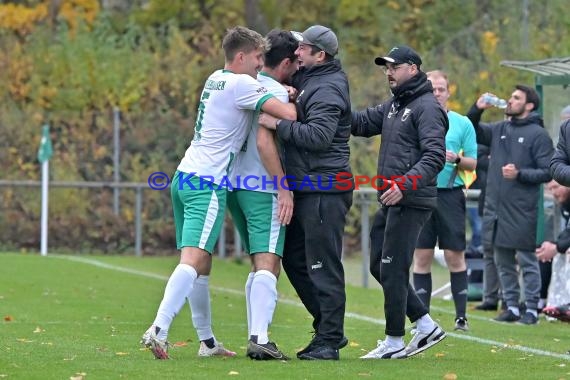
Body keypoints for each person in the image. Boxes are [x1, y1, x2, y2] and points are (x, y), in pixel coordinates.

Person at [140, 26, 297, 360]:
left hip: (184, 177)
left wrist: (272, 86)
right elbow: (288, 115)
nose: (260, 64)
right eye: (257, 57)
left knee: (203, 263)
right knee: (193, 259)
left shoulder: (216, 77)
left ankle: (207, 343)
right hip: (208, 184)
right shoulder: (243, 84)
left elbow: (250, 93)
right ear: (241, 56)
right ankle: (159, 328)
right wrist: (288, 97)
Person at [258, 25, 354, 360]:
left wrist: (278, 125)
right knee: (297, 260)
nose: (297, 52)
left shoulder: (328, 87)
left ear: (320, 54)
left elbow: (318, 137)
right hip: (308, 187)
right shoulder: (311, 78)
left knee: (322, 264)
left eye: (304, 48)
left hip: (325, 187)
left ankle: (329, 341)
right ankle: (327, 329)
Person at [351, 45, 448, 359]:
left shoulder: (427, 107)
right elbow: (361, 123)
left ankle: (394, 341)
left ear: (413, 69)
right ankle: (424, 323)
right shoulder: (395, 105)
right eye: (386, 68)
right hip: (393, 198)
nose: (388, 72)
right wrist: (317, 104)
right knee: (380, 263)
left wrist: (403, 186)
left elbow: (434, 157)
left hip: (411, 198)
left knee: (392, 268)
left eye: (394, 67)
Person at [227, 29, 298, 361]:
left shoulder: (237, 82)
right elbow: (263, 141)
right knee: (269, 262)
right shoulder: (275, 93)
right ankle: (260, 337)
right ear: (285, 62)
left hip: (234, 183)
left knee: (258, 264)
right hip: (261, 186)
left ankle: (256, 333)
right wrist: (283, 187)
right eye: (296, 61)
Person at [466, 85, 554, 325]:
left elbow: (548, 171)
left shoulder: (538, 135)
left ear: (529, 106)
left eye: (516, 98)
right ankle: (512, 307)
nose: (510, 101)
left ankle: (532, 309)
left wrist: (520, 174)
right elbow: (471, 130)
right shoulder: (500, 129)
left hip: (522, 209)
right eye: (511, 96)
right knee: (502, 259)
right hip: (495, 208)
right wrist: (477, 109)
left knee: (526, 260)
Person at [412, 70, 477, 332]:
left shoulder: (462, 123)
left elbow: (473, 164)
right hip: (421, 192)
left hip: (450, 194)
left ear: (449, 92)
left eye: (440, 89)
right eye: (432, 89)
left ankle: (461, 318)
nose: (436, 93)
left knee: (454, 255)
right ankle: (422, 319)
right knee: (422, 256)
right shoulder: (414, 118)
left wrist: (457, 159)